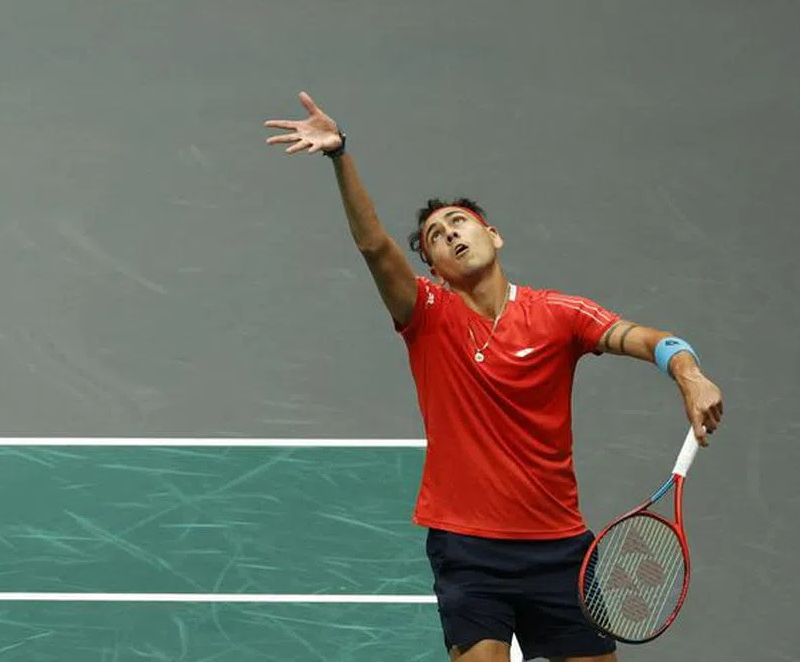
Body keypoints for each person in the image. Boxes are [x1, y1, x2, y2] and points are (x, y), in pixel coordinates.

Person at [262, 91, 724, 662]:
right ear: (433, 268)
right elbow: (373, 245)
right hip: (468, 548)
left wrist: (689, 372)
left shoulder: (560, 314)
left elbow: (652, 340)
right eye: (437, 235)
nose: (452, 234)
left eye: (461, 222)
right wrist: (340, 156)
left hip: (559, 548)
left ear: (493, 234)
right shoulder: (425, 314)